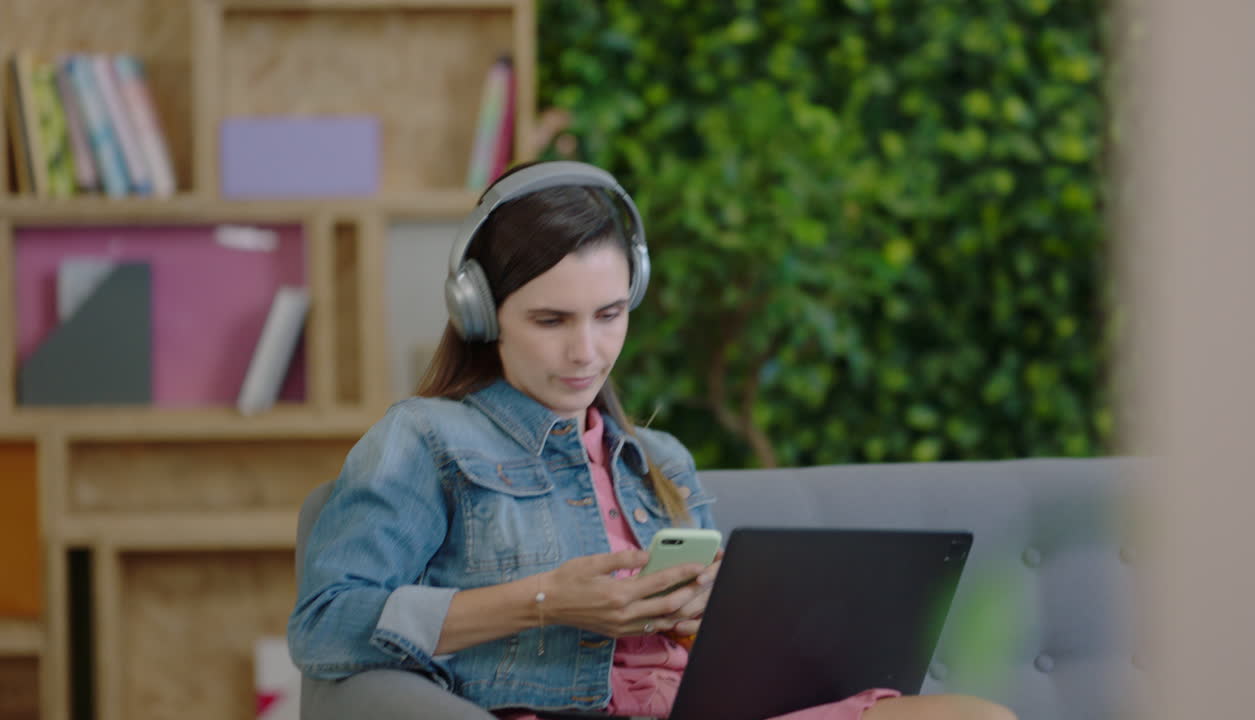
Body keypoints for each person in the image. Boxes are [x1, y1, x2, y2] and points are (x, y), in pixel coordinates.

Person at [288, 161, 1016, 720]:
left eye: (609, 314)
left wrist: (705, 616)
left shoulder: (660, 460)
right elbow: (326, 627)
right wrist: (545, 600)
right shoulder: (423, 439)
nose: (587, 351)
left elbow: (700, 654)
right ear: (482, 312)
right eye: (552, 321)